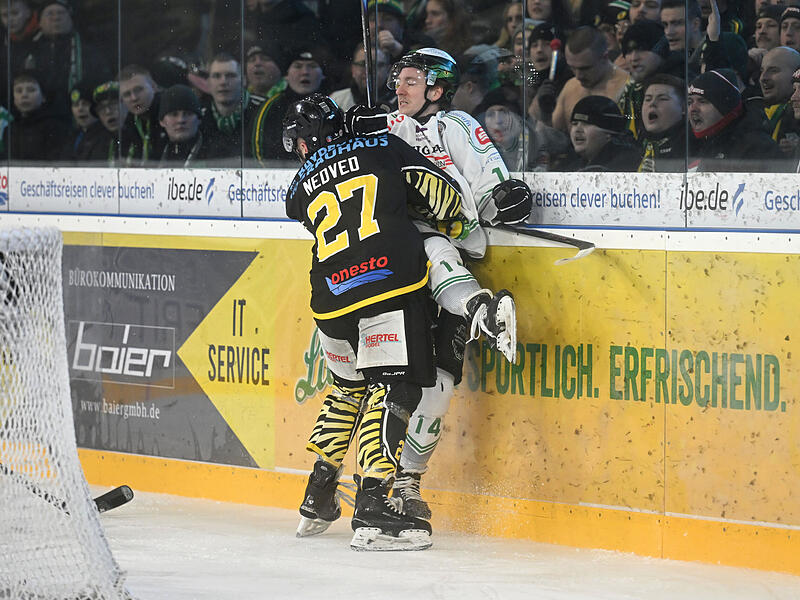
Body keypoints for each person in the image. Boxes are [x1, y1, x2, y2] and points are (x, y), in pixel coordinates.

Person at [347, 48, 527, 519]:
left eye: (410, 81)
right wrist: (349, 132)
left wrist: (503, 197)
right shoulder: (384, 126)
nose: (399, 89)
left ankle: (406, 482)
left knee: (442, 381)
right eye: (398, 81)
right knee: (395, 379)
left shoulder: (458, 126)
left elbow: (488, 177)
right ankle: (481, 310)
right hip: (401, 257)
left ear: (436, 88)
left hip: (457, 248)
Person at [285, 93, 463, 551]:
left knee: (347, 389)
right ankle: (373, 506)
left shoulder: (299, 187)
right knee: (395, 388)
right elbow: (445, 197)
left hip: (329, 298)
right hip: (383, 285)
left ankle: (319, 493)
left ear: (303, 145)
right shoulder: (381, 146)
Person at [16, 0, 110, 119]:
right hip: (38, 116)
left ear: (71, 20)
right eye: (50, 14)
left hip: (75, 113)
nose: (56, 18)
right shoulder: (27, 51)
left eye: (61, 13)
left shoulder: (87, 50)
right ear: (40, 22)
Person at [688, 68, 785, 171]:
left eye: (702, 101)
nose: (693, 109)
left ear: (725, 105)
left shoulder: (758, 148)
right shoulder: (701, 143)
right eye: (690, 102)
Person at [251, 49, 327, 163]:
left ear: (323, 75)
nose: (305, 72)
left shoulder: (333, 105)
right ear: (286, 75)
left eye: (312, 66)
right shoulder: (270, 108)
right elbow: (258, 153)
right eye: (298, 66)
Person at [552, 26, 630, 132]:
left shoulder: (628, 88)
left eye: (585, 68)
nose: (578, 76)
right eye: (572, 68)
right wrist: (542, 110)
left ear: (604, 57)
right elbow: (554, 136)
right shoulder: (570, 86)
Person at [617, 21, 675, 139]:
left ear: (661, 50)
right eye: (628, 51)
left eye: (642, 49)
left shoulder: (679, 83)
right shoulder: (632, 89)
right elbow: (628, 122)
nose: (634, 58)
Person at [201, 52, 261, 163]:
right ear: (208, 83)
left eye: (230, 75)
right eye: (216, 76)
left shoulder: (262, 110)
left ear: (244, 81)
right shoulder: (199, 115)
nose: (223, 82)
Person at [555, 94, 641, 170]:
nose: (577, 129)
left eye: (586, 124)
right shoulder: (571, 166)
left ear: (609, 133)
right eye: (574, 123)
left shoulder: (625, 164)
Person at [9, 70, 70, 162]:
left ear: (43, 97)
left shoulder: (54, 128)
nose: (24, 95)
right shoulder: (10, 129)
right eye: (19, 91)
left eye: (31, 90)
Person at [752, 46, 800, 153]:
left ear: (796, 72)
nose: (763, 78)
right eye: (762, 71)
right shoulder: (752, 112)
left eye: (773, 71)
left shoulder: (795, 115)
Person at [118, 65, 166, 167]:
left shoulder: (169, 117)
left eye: (138, 90)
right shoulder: (128, 124)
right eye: (127, 94)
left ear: (154, 87)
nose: (134, 98)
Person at [638, 73, 687, 171]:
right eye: (648, 99)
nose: (652, 103)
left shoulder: (689, 148)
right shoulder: (631, 147)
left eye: (662, 99)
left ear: (683, 108)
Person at [329, 43, 392, 112]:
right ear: (353, 69)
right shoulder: (337, 100)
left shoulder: (399, 101)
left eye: (375, 65)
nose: (369, 71)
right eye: (362, 64)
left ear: (388, 70)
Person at [158, 84, 209, 167]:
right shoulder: (155, 154)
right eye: (174, 114)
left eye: (188, 114)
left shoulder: (216, 153)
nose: (181, 120)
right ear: (162, 121)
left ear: (199, 119)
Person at [62, 80, 107, 163]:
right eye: (76, 105)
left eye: (85, 104)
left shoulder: (106, 136)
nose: (80, 109)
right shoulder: (72, 137)